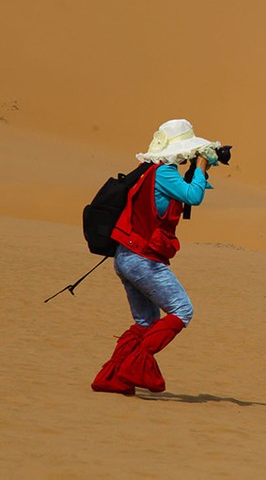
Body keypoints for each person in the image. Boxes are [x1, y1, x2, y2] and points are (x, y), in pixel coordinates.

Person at [91, 119, 223, 395]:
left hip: (126, 256)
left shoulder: (151, 171)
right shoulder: (164, 173)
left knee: (146, 323)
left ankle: (112, 377)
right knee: (182, 310)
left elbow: (182, 196)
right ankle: (134, 367)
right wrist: (200, 167)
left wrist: (201, 171)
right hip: (143, 259)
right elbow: (193, 196)